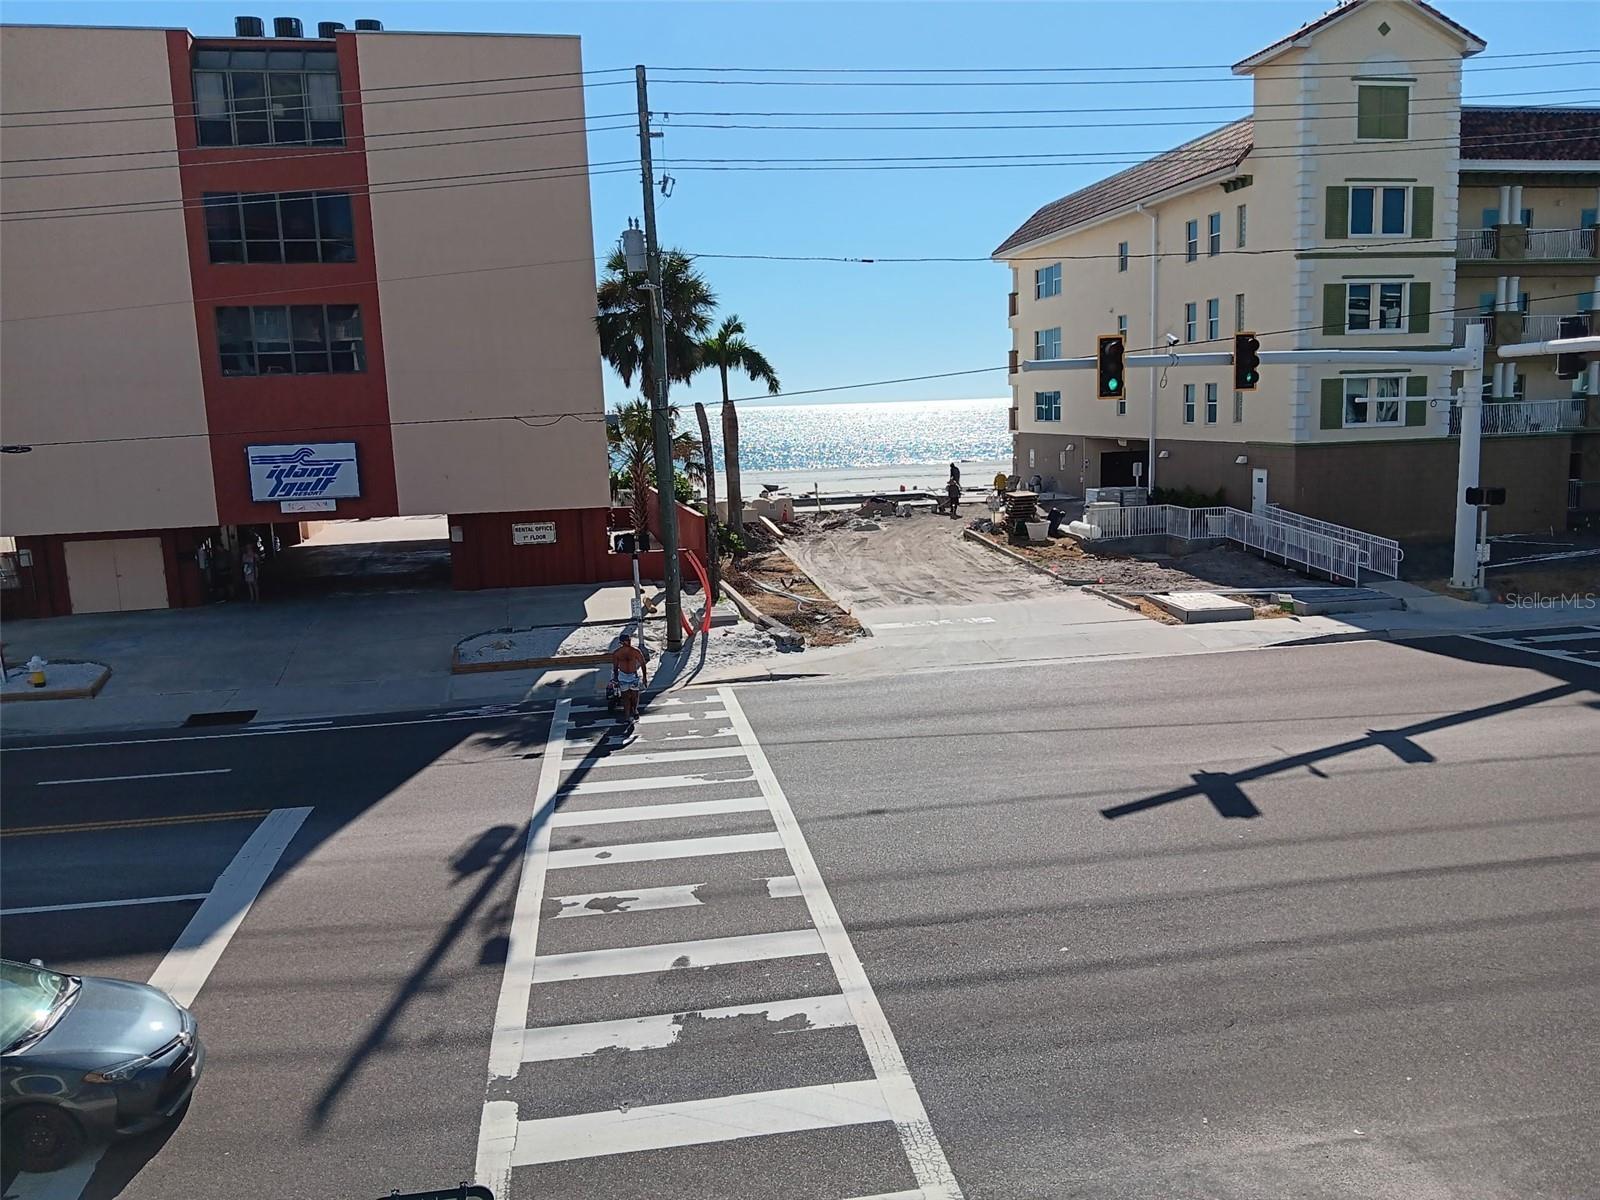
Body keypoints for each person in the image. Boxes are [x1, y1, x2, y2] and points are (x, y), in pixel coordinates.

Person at [610, 632, 647, 726]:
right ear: (622, 642)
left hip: (633, 676)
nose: (629, 642)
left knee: (635, 695)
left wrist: (644, 678)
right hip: (622, 676)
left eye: (629, 640)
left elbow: (642, 663)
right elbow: (615, 667)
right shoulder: (617, 653)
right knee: (625, 697)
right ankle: (627, 716)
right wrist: (615, 679)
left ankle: (635, 710)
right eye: (627, 640)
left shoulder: (635, 651)